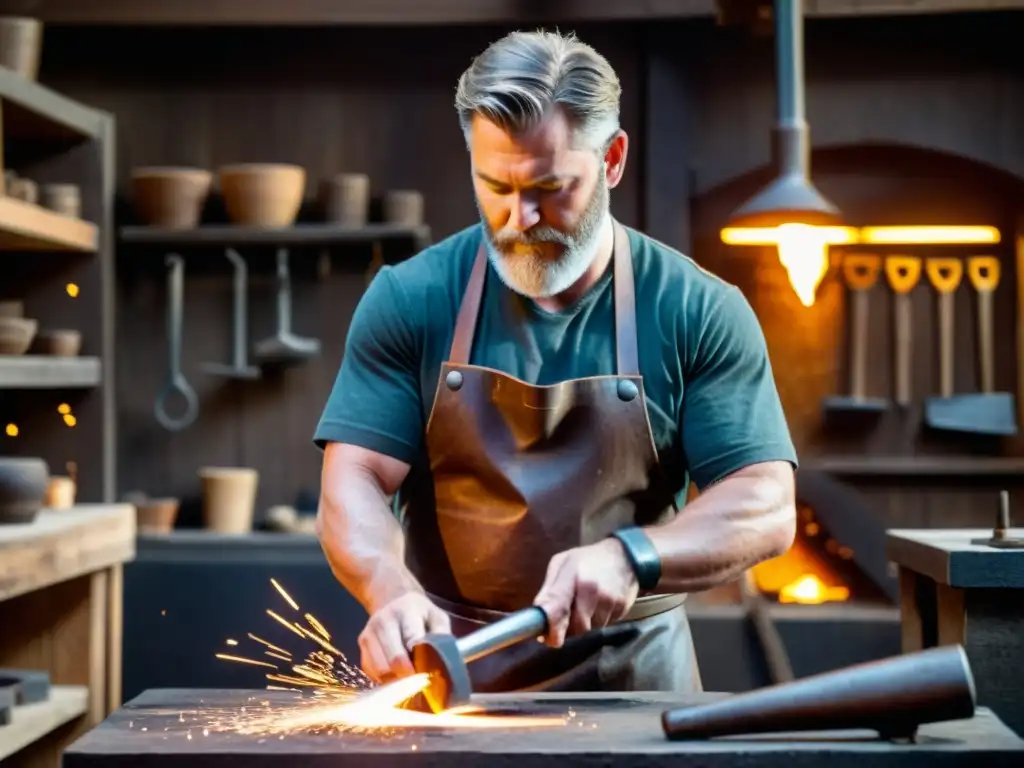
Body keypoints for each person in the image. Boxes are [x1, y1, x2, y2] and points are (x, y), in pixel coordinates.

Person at [314, 29, 797, 695]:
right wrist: (388, 586)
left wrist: (636, 557)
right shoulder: (412, 299)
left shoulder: (699, 309)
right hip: (450, 681)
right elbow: (354, 479)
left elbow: (766, 503)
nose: (520, 218)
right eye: (496, 186)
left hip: (637, 686)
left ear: (614, 158)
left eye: (551, 187)